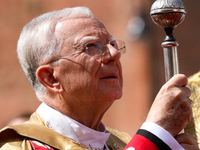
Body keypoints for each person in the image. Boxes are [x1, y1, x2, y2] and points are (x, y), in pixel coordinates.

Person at [0, 6, 198, 150]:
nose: (114, 54)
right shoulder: (19, 147)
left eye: (113, 44)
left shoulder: (120, 144)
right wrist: (155, 135)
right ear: (51, 78)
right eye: (91, 46)